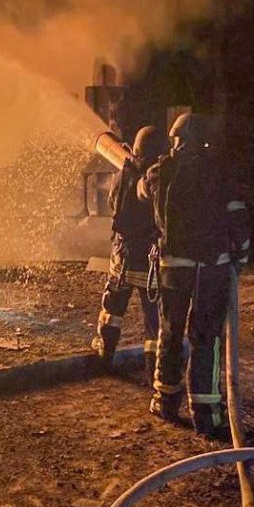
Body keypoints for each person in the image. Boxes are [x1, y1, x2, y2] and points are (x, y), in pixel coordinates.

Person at [138, 112, 250, 438]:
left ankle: (165, 400)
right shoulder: (220, 174)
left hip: (172, 268)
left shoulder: (160, 171)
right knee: (206, 338)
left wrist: (141, 172)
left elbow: (143, 190)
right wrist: (240, 258)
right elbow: (238, 219)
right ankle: (206, 414)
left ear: (177, 138)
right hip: (210, 269)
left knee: (170, 333)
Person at [91, 125, 168, 383]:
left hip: (122, 261)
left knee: (112, 311)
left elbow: (114, 205)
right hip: (150, 264)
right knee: (153, 322)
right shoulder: (158, 180)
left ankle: (104, 356)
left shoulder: (123, 177)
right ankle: (152, 369)